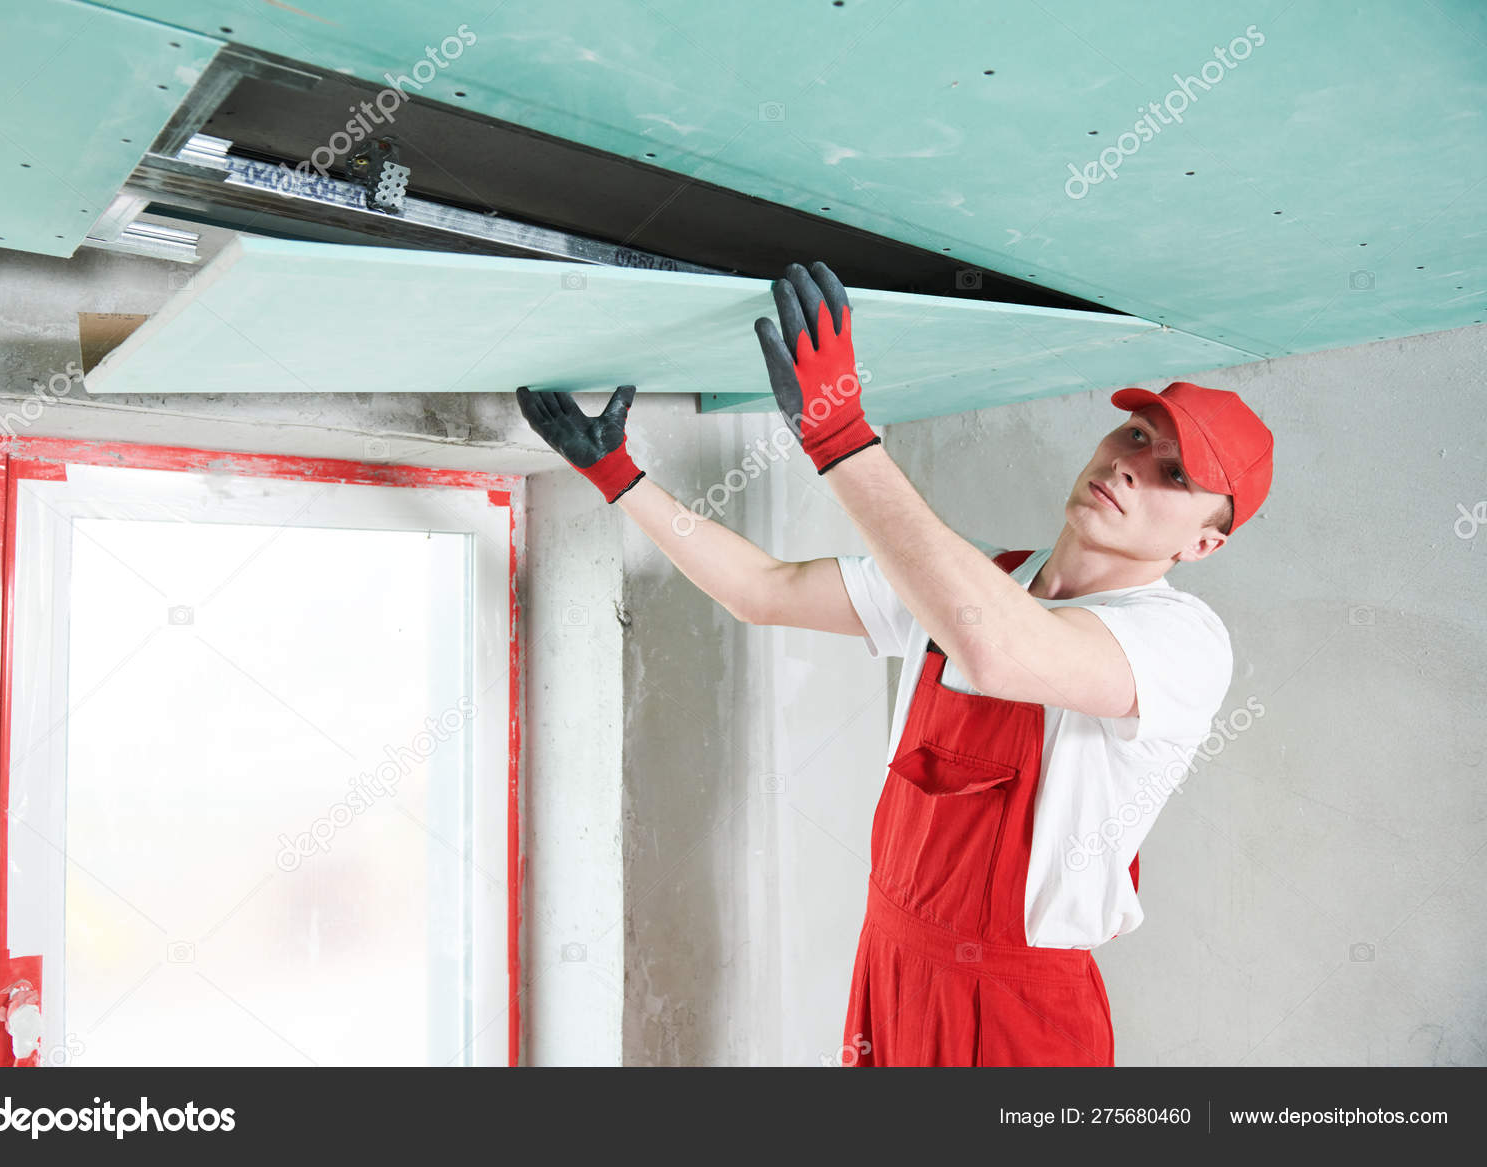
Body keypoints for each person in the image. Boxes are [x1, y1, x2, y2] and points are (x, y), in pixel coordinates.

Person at [516, 261, 1274, 1066]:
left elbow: (1004, 648)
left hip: (1016, 1010)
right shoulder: (966, 576)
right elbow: (764, 590)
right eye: (1135, 435)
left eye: (1175, 475)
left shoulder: (1180, 641)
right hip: (890, 963)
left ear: (1202, 544)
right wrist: (617, 476)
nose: (1132, 464)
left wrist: (841, 436)